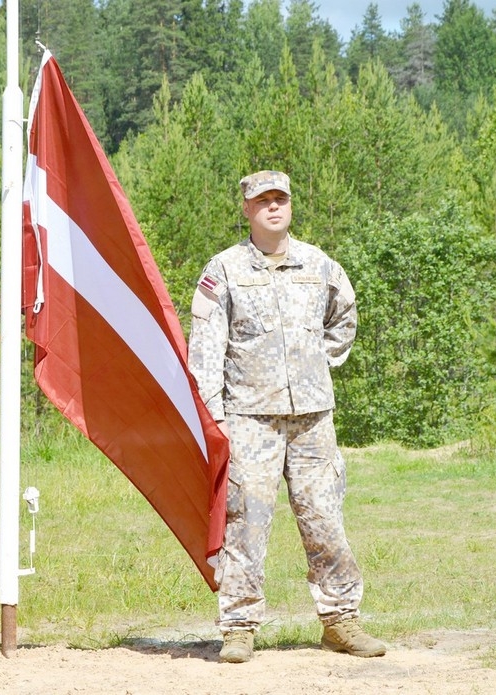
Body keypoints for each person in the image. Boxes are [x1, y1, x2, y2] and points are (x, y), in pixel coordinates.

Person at [187, 170, 386, 664]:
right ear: (247, 209)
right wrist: (216, 415)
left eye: (281, 199)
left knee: (325, 519)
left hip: (313, 418)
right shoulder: (225, 269)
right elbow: (206, 347)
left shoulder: (318, 264)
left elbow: (345, 315)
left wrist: (319, 360)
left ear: (291, 205)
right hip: (250, 417)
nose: (274, 207)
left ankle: (341, 621)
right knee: (246, 524)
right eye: (263, 201)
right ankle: (238, 626)